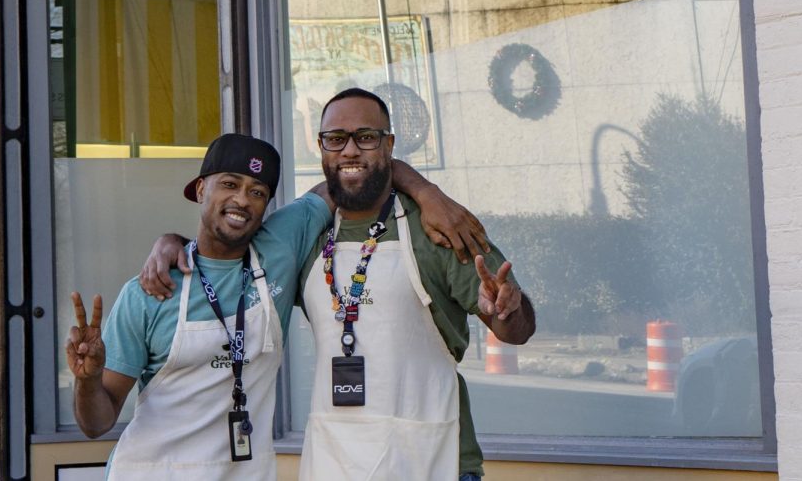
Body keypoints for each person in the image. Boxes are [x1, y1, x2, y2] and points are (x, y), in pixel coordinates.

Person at [141, 88, 536, 480]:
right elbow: (224, 248)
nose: (349, 151)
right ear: (322, 148)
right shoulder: (304, 235)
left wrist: (508, 309)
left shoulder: (439, 227)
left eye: (366, 137)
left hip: (434, 459)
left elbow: (516, 331)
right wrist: (172, 244)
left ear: (389, 145)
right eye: (336, 139)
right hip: (334, 462)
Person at [67, 133, 487, 480]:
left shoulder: (281, 243)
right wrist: (86, 381)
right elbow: (96, 422)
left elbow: (353, 172)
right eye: (229, 184)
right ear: (200, 190)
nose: (242, 201)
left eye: (257, 192)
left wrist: (427, 193)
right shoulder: (150, 290)